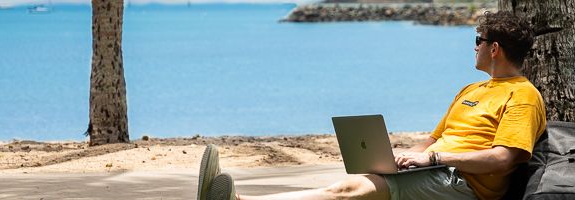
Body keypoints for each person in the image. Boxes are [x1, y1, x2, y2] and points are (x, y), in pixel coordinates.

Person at [197, 11, 546, 200]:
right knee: (360, 182)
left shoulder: (523, 96)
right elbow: (432, 139)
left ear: (495, 48)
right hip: (434, 171)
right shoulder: (473, 88)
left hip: (464, 184)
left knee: (348, 190)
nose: (475, 47)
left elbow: (504, 159)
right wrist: (402, 156)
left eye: (478, 41)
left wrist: (435, 159)